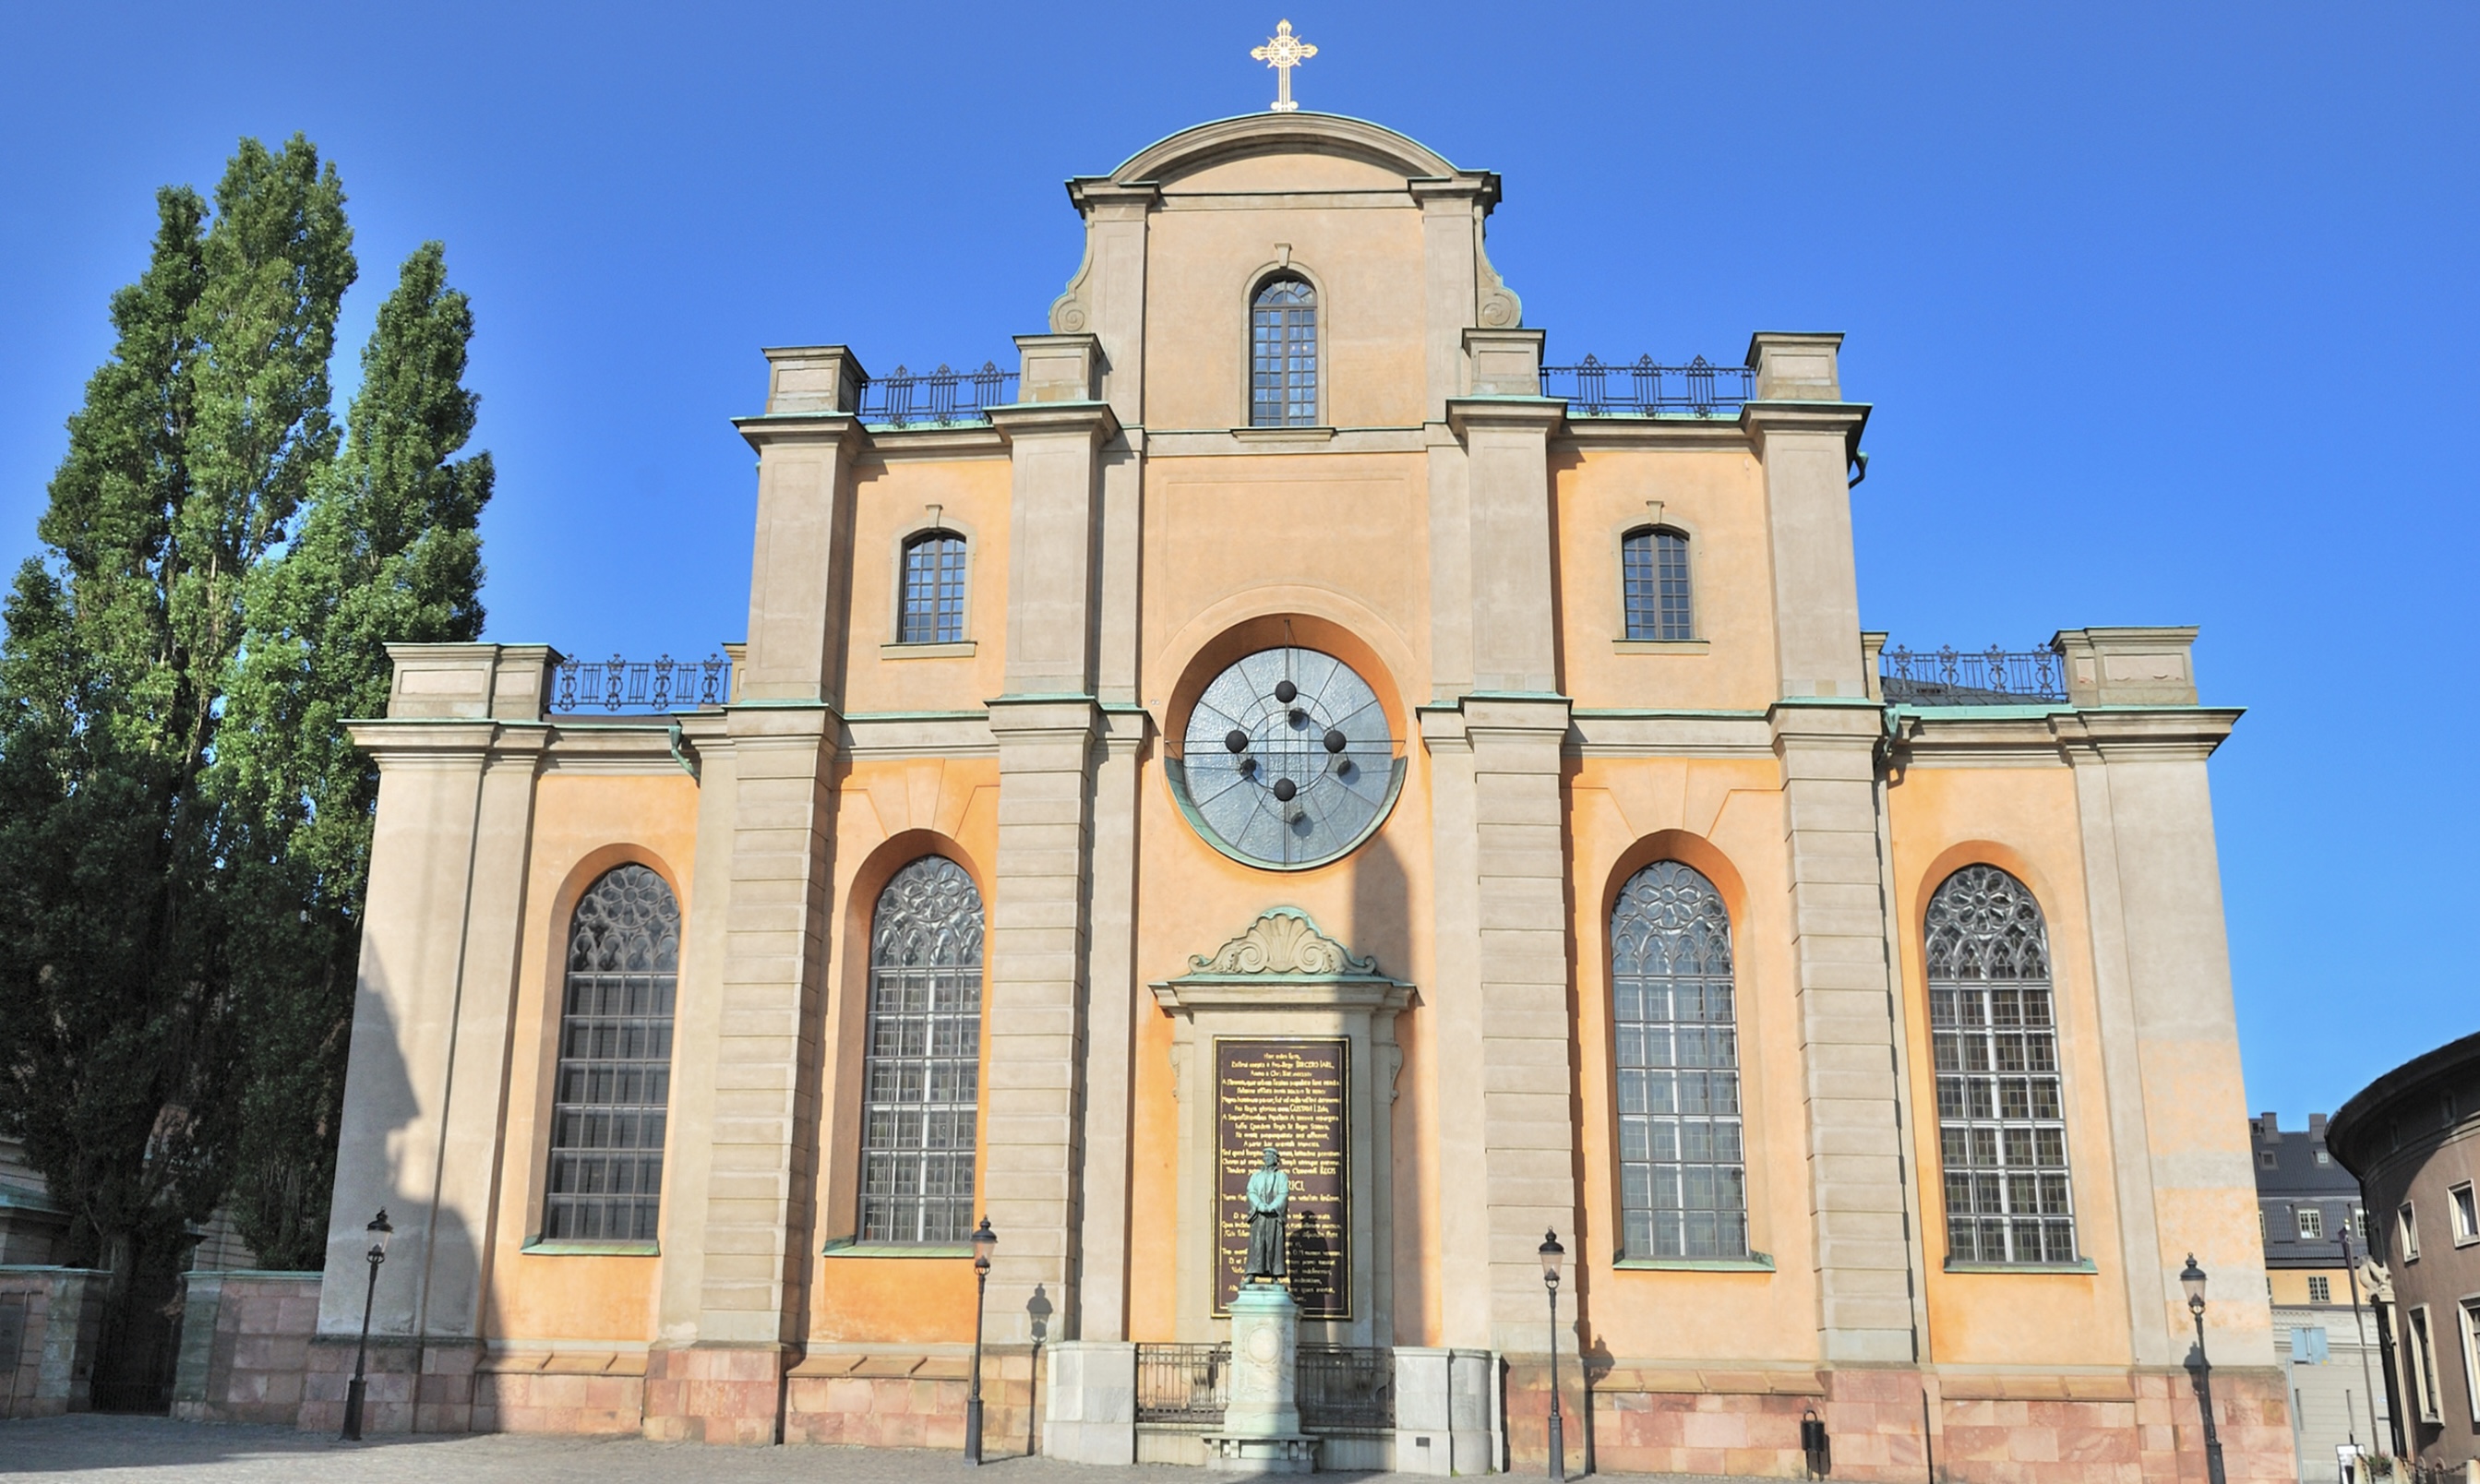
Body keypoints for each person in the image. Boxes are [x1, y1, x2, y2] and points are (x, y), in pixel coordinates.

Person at [1245, 1147, 1290, 1282]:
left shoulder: (1281, 1176)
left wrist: (1272, 1206)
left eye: (1270, 1157)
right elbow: (1251, 1192)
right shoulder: (1256, 1176)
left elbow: (1283, 1193)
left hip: (1274, 1216)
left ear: (1276, 1160)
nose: (1266, 1159)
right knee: (1257, 1244)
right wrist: (1259, 1205)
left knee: (1274, 1244)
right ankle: (1252, 1273)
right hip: (1259, 1215)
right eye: (1265, 1156)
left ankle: (1275, 1275)